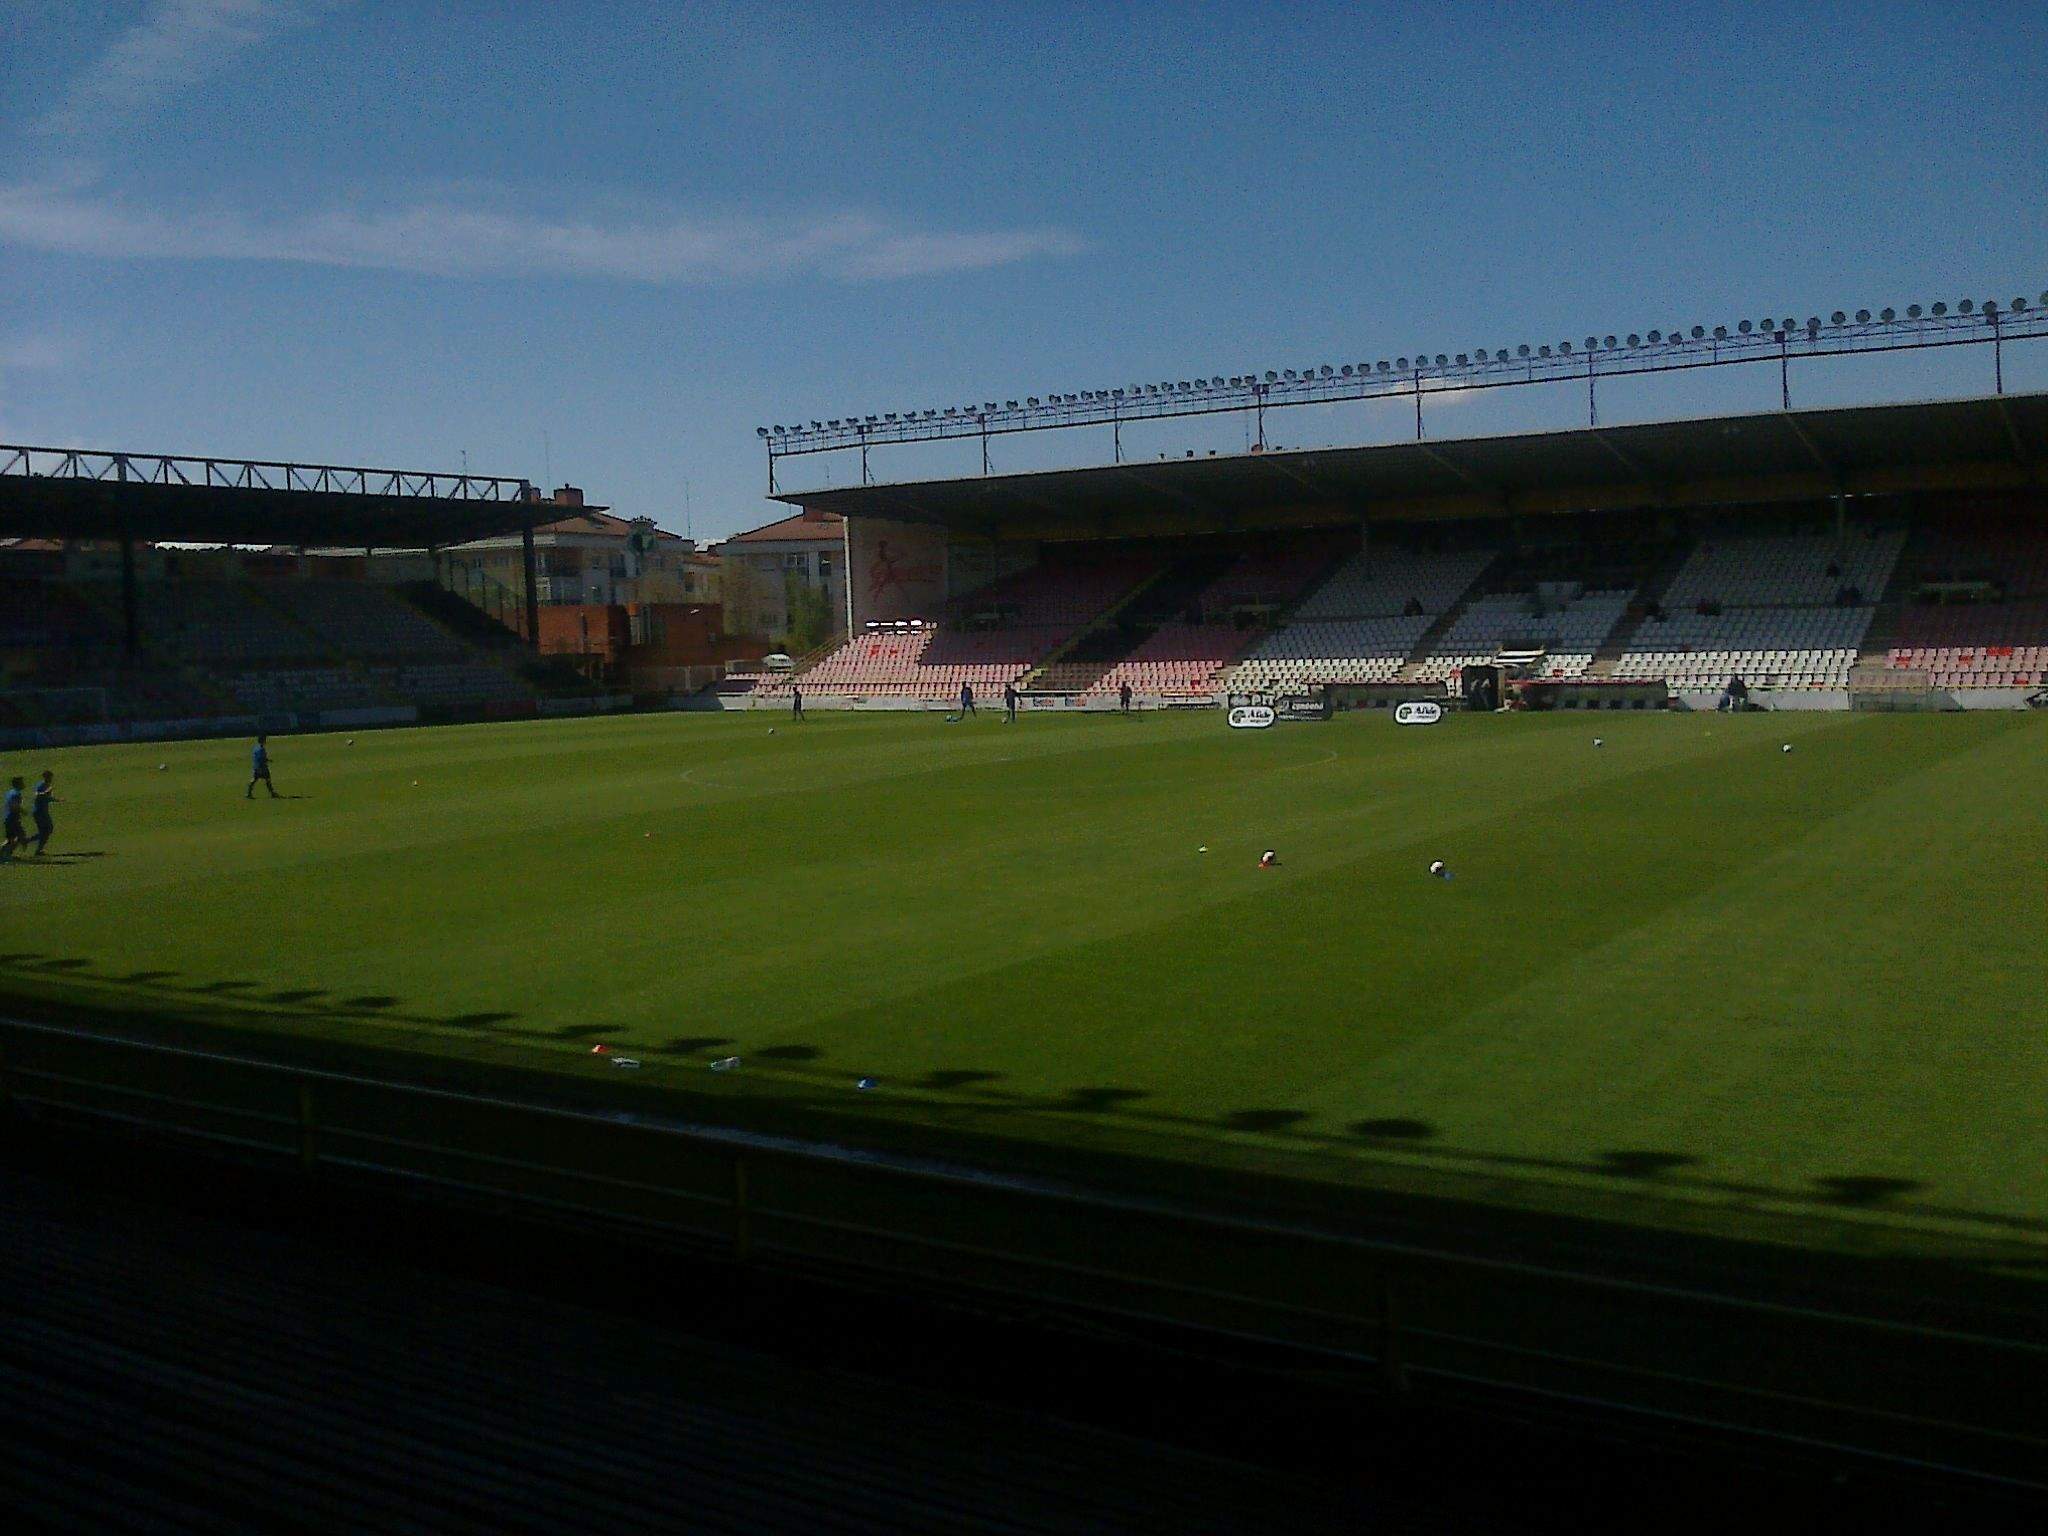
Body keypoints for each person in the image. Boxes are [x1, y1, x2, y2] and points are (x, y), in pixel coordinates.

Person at [30, 770, 55, 856]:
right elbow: (37, 795)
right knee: (46, 830)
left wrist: (57, 800)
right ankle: (27, 841)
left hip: (43, 811)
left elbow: (47, 798)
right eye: (49, 777)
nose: (51, 779)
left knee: (47, 830)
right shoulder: (42, 785)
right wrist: (46, 793)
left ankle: (36, 847)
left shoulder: (47, 785)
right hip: (39, 812)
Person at [1, 776, 25, 861]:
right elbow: (13, 805)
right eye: (21, 782)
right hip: (12, 819)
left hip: (9, 818)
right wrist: (22, 811)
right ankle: (6, 855)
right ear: (18, 784)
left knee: (11, 838)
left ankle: (3, 854)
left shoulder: (11, 792)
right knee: (18, 837)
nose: (23, 784)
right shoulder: (16, 794)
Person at [247, 735, 278, 799]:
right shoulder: (261, 749)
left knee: (254, 780)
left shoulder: (255, 748)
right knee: (268, 780)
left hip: (256, 766)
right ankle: (272, 793)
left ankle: (248, 793)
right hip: (262, 767)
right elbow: (262, 758)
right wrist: (268, 760)